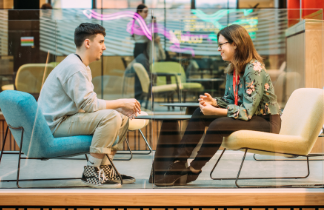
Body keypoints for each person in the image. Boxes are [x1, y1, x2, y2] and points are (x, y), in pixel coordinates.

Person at [153, 24, 281, 186]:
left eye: (221, 45)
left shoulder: (254, 69)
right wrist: (215, 102)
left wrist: (215, 111)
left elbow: (247, 112)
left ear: (235, 43)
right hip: (251, 117)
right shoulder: (233, 69)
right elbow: (230, 99)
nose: (219, 49)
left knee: (217, 124)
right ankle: (178, 163)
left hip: (267, 122)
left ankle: (193, 170)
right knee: (200, 113)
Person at [38, 23, 141, 188]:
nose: (104, 47)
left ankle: (106, 169)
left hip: (66, 119)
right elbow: (90, 105)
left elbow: (86, 104)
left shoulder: (79, 65)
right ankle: (91, 171)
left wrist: (118, 108)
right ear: (87, 43)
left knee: (120, 117)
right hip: (55, 125)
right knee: (111, 117)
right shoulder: (75, 67)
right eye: (100, 42)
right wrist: (121, 103)